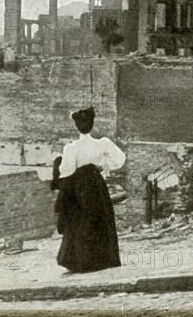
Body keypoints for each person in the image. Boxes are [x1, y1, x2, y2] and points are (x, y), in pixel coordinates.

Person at [56, 106, 126, 273]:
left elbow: (66, 171)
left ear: (76, 126)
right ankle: (103, 259)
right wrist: (102, 166)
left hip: (79, 187)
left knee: (79, 220)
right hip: (97, 185)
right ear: (92, 125)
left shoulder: (71, 148)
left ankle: (82, 261)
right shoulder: (102, 143)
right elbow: (120, 159)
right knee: (99, 218)